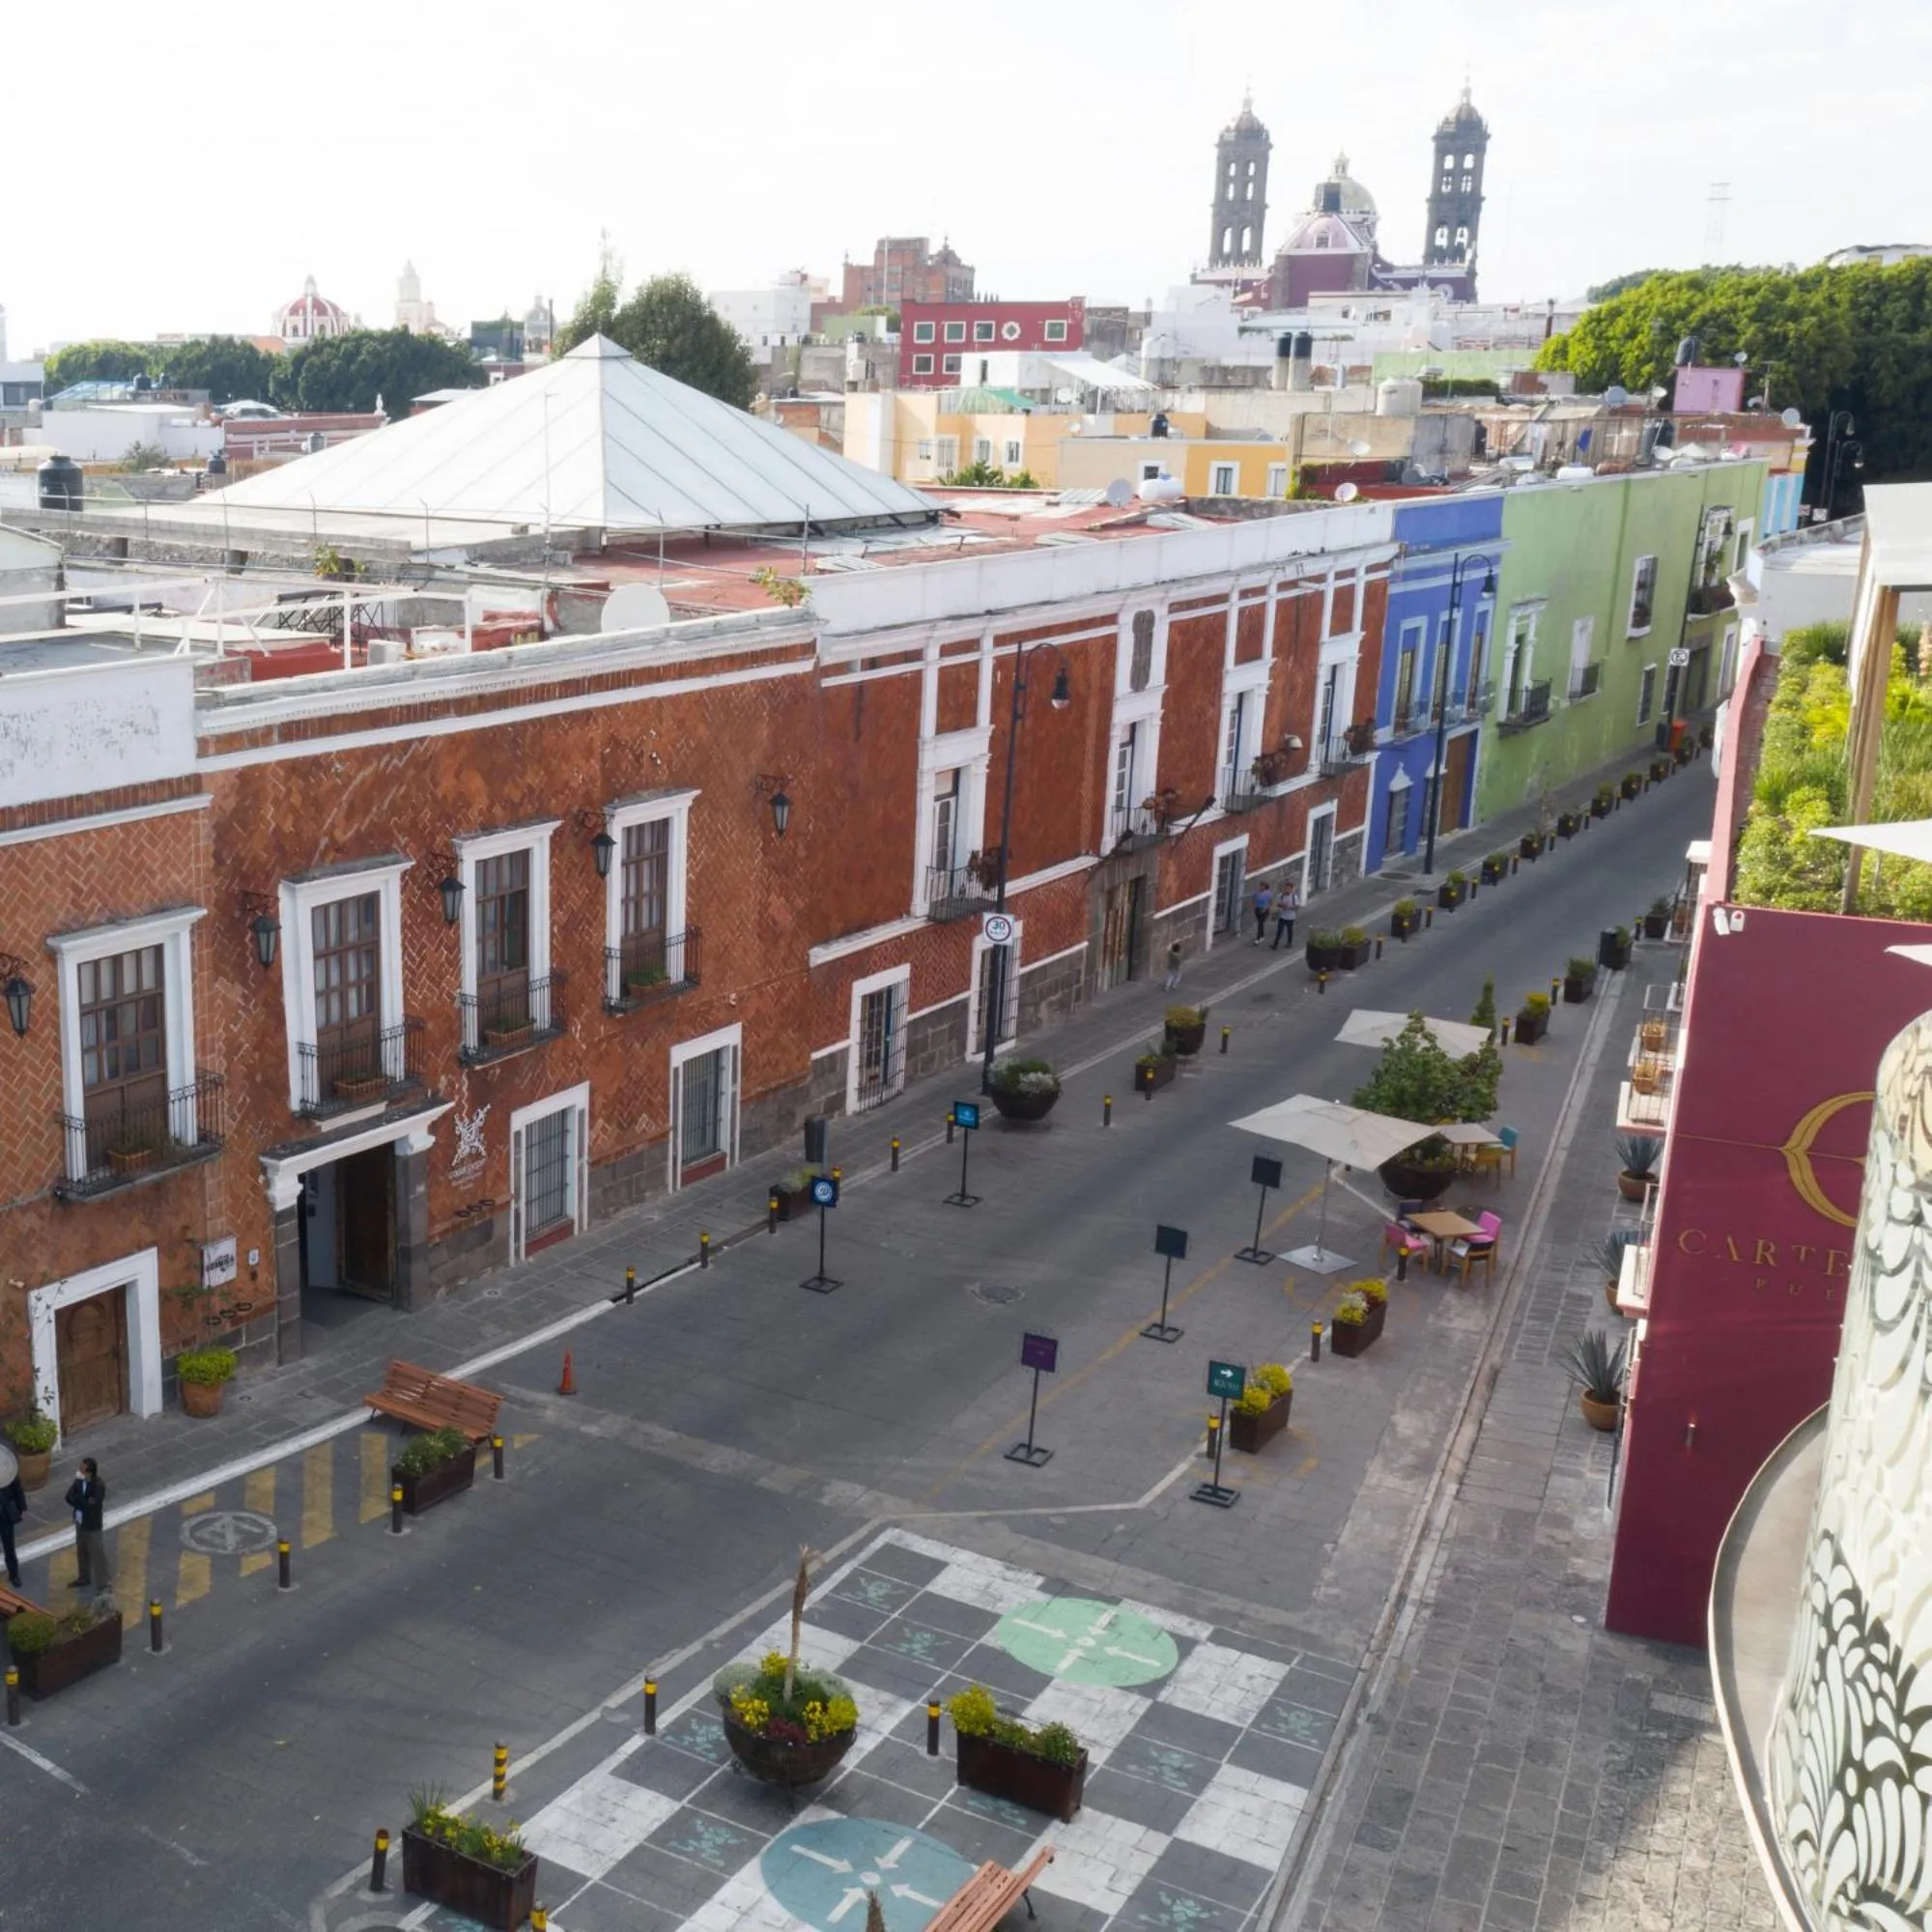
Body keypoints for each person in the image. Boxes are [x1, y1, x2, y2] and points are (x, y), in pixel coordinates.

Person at [65, 1457, 106, 1594]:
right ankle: (84, 1577)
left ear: (89, 1472)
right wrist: (82, 1502)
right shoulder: (78, 1481)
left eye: (82, 1470)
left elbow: (92, 1505)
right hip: (80, 1522)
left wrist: (79, 1501)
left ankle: (103, 1585)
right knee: (81, 1551)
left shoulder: (99, 1485)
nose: (79, 1472)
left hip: (93, 1525)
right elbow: (68, 1496)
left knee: (97, 1554)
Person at [0, 1463, 23, 1588]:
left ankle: (13, 1575)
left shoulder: (7, 1466)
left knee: (9, 1547)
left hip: (5, 1515)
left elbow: (17, 1487)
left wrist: (21, 1507)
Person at [1271, 882, 1301, 951]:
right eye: (1285, 888)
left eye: (1288, 888)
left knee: (1290, 930)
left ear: (1291, 889)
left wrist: (1289, 907)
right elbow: (1278, 904)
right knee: (1279, 931)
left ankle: (1289, 943)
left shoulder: (1294, 896)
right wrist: (1282, 905)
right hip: (1282, 917)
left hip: (1290, 917)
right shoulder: (1282, 896)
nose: (1286, 890)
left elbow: (1297, 906)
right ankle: (1275, 944)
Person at [1251, 880, 1273, 944]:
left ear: (1265, 887)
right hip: (1257, 909)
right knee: (1260, 923)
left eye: (1262, 886)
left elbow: (1270, 903)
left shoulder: (1268, 893)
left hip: (1265, 910)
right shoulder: (1256, 892)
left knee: (1260, 923)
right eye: (1260, 886)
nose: (1260, 887)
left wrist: (1266, 908)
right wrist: (1253, 907)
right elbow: (1253, 899)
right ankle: (1262, 936)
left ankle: (1258, 939)